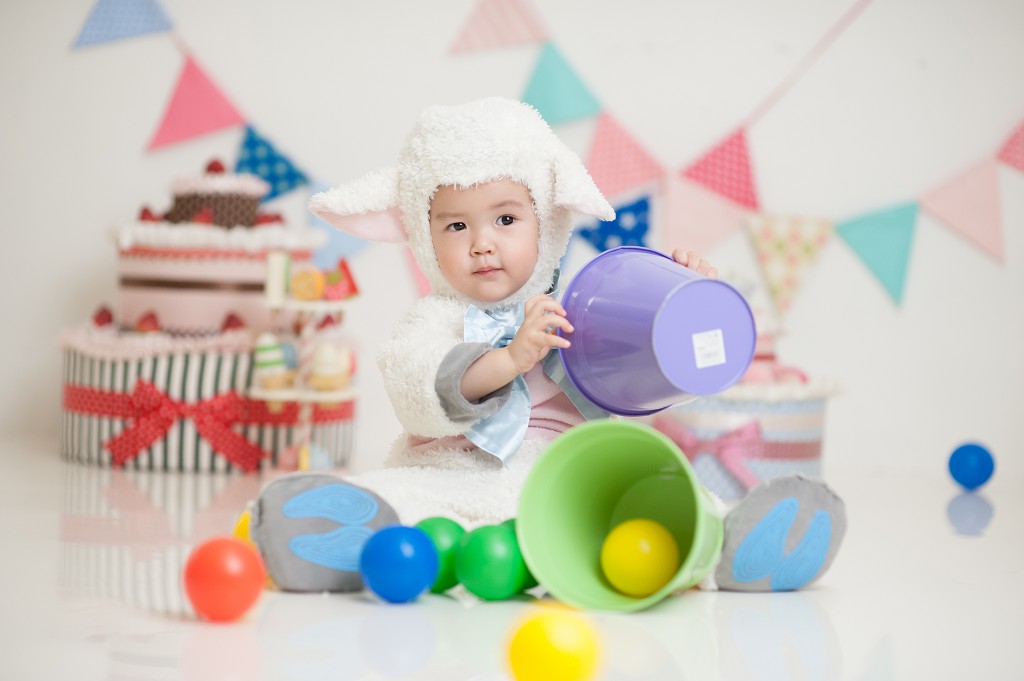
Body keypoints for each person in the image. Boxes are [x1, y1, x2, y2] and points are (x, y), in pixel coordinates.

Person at [250, 98, 845, 594]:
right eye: (456, 225)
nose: (482, 243)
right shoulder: (433, 319)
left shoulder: (587, 308)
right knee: (407, 501)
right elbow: (415, 386)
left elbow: (645, 381)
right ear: (421, 235)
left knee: (660, 504)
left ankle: (733, 544)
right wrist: (508, 360)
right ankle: (342, 538)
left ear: (548, 218)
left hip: (570, 479)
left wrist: (685, 306)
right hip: (458, 472)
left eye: (506, 220)